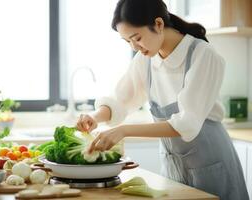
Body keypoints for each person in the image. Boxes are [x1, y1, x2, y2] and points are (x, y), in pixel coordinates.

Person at [76, 0, 249, 199]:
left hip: (212, 165)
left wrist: (124, 131)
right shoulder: (146, 60)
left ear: (158, 24)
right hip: (174, 167)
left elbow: (186, 124)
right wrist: (94, 117)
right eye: (128, 42)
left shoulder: (203, 55)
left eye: (137, 37)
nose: (135, 47)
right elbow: (121, 100)